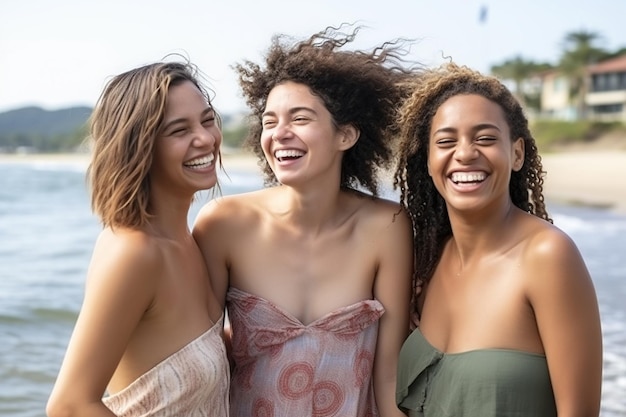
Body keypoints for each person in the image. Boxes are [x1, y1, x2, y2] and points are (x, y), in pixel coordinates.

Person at [193, 25, 416, 417]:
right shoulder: (223, 224)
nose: (279, 134)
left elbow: (387, 377)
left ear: (345, 135)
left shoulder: (387, 226)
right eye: (268, 121)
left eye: (299, 119)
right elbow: (203, 363)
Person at [393, 62, 603, 417]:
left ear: (517, 153)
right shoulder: (427, 263)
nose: (464, 153)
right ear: (428, 161)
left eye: (485, 138)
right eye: (445, 141)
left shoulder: (547, 256)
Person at [46, 60, 229, 417]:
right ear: (140, 146)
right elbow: (70, 406)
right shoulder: (135, 251)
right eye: (179, 130)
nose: (206, 138)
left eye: (207, 120)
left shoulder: (195, 241)